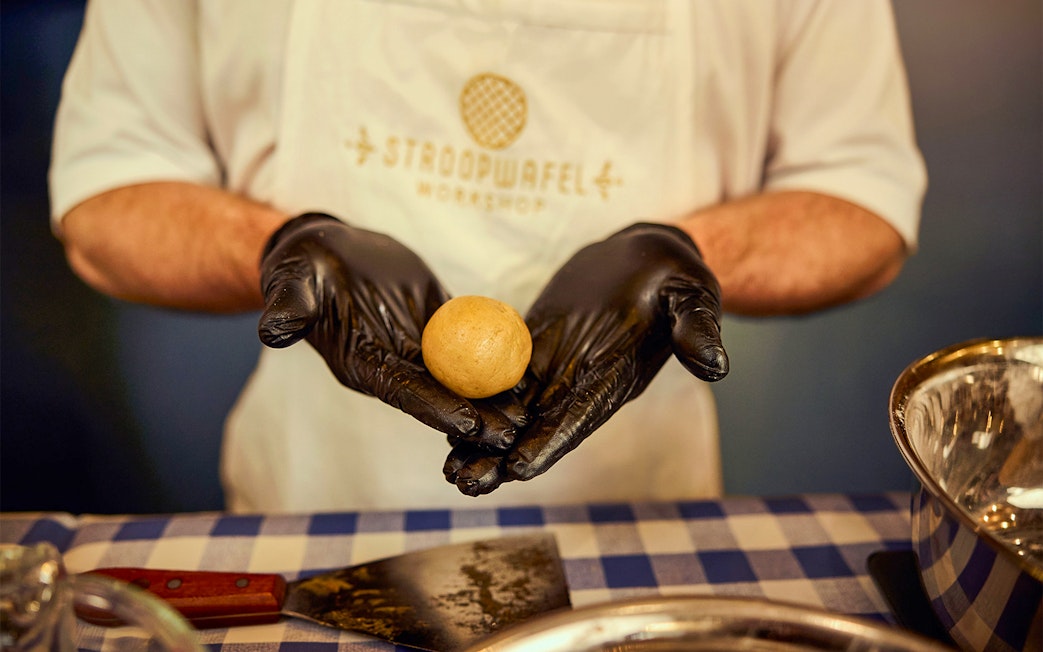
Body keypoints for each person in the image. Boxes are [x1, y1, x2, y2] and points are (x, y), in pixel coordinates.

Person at [49, 0, 926, 513]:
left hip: (637, 526)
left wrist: (685, 256)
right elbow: (110, 192)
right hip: (312, 508)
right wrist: (283, 249)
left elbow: (860, 196)